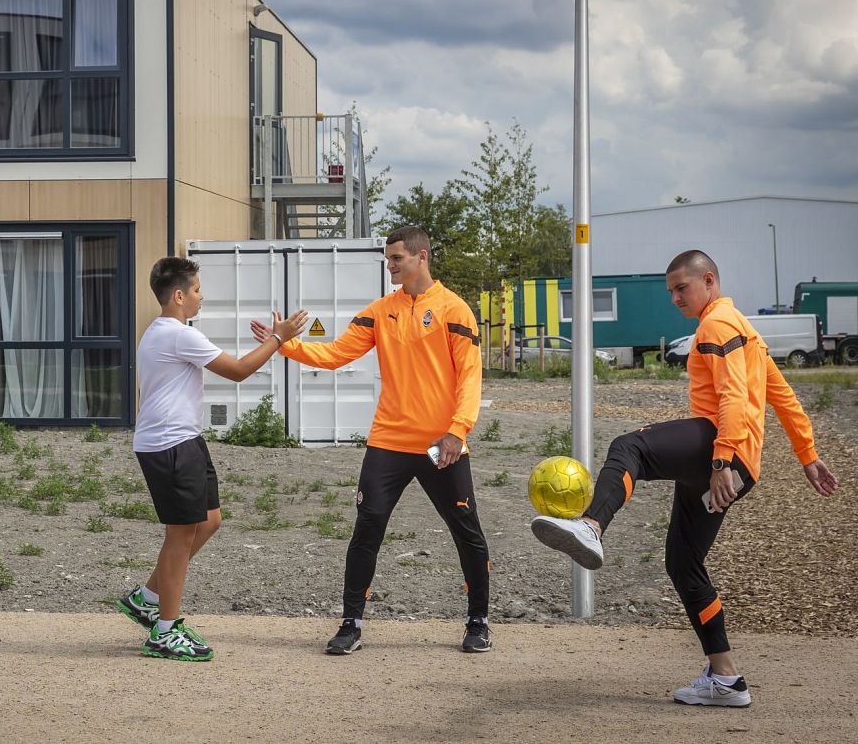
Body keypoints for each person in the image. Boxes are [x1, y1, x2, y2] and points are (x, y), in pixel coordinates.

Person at [530, 250, 838, 707]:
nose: (675, 297)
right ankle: (726, 679)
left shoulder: (717, 325)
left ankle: (591, 527)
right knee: (683, 564)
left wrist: (720, 463)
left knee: (627, 447)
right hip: (738, 464)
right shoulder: (746, 331)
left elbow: (734, 397)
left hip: (721, 452)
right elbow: (782, 395)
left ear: (708, 280)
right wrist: (807, 454)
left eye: (682, 288)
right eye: (670, 290)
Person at [251, 225, 492, 655]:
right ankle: (351, 624)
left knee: (465, 530)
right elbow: (336, 353)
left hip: (443, 443)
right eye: (388, 257)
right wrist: (287, 345)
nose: (390, 264)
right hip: (389, 441)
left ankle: (479, 622)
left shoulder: (455, 310)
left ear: (422, 256)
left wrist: (458, 430)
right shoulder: (381, 311)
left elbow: (470, 377)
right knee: (367, 529)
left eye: (397, 257)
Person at [115, 257, 308, 661]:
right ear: (180, 295)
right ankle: (165, 631)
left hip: (184, 440)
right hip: (169, 445)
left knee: (209, 521)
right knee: (180, 534)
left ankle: (147, 598)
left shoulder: (166, 332)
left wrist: (273, 339)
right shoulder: (175, 334)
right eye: (198, 290)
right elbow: (237, 371)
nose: (203, 296)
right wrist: (280, 338)